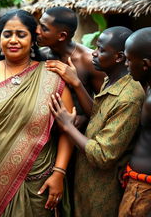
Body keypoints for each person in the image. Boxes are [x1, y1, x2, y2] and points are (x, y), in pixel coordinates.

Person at [0, 9, 74, 217]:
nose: (13, 40)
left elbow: (67, 130)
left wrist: (59, 172)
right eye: (7, 34)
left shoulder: (51, 76)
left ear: (33, 38)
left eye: (21, 34)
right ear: (0, 37)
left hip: (35, 182)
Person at [49, 26, 145, 217]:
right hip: (87, 181)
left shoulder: (129, 97)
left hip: (103, 188)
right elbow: (100, 115)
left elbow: (103, 154)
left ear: (118, 57)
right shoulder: (112, 80)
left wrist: (68, 126)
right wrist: (76, 83)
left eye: (101, 49)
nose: (93, 53)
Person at [36, 6, 105, 130]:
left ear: (62, 36)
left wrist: (85, 118)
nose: (37, 30)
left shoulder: (88, 61)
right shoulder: (41, 55)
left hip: (78, 133)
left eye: (44, 28)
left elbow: (105, 111)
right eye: (39, 25)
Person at [118, 27, 151, 217]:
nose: (126, 65)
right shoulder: (146, 86)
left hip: (144, 190)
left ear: (145, 64)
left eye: (130, 60)